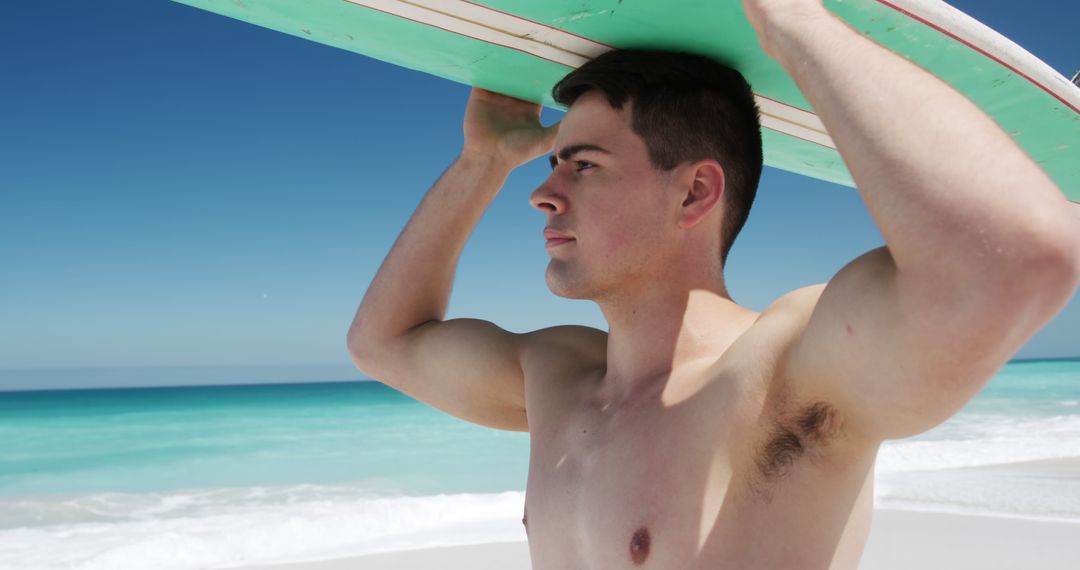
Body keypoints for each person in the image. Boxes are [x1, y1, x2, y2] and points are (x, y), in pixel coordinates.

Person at [346, 0, 1080, 567]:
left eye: (585, 165)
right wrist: (482, 161)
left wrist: (793, 21)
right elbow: (382, 343)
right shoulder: (558, 377)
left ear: (695, 193)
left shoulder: (786, 369)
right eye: (550, 163)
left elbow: (1016, 260)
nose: (543, 193)